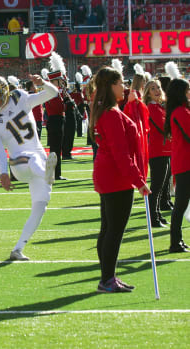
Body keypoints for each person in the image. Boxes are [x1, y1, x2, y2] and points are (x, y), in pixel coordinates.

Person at [0, 73, 58, 261]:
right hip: (19, 163)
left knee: (40, 207)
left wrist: (43, 83)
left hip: (39, 157)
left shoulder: (20, 97)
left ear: (5, 91)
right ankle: (47, 173)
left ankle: (18, 248)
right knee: (31, 159)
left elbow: (53, 93)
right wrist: (3, 173)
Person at [90, 67, 150, 292]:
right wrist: (138, 180)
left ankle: (108, 277)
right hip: (116, 177)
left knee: (108, 229)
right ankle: (107, 279)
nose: (124, 87)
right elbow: (121, 153)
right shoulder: (111, 113)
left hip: (110, 175)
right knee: (113, 231)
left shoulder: (108, 110)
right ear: (110, 86)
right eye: (120, 83)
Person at [163, 77, 190, 253]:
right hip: (185, 162)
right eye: (188, 90)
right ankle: (175, 241)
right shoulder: (181, 112)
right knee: (181, 203)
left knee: (181, 203)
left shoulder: (181, 111)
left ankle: (177, 240)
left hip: (184, 161)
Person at [143, 80, 170, 228]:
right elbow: (163, 126)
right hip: (158, 150)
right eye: (152, 88)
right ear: (148, 93)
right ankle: (153, 218)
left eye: (158, 87)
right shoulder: (152, 108)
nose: (156, 90)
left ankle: (157, 214)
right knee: (157, 186)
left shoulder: (159, 107)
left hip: (164, 149)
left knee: (161, 186)